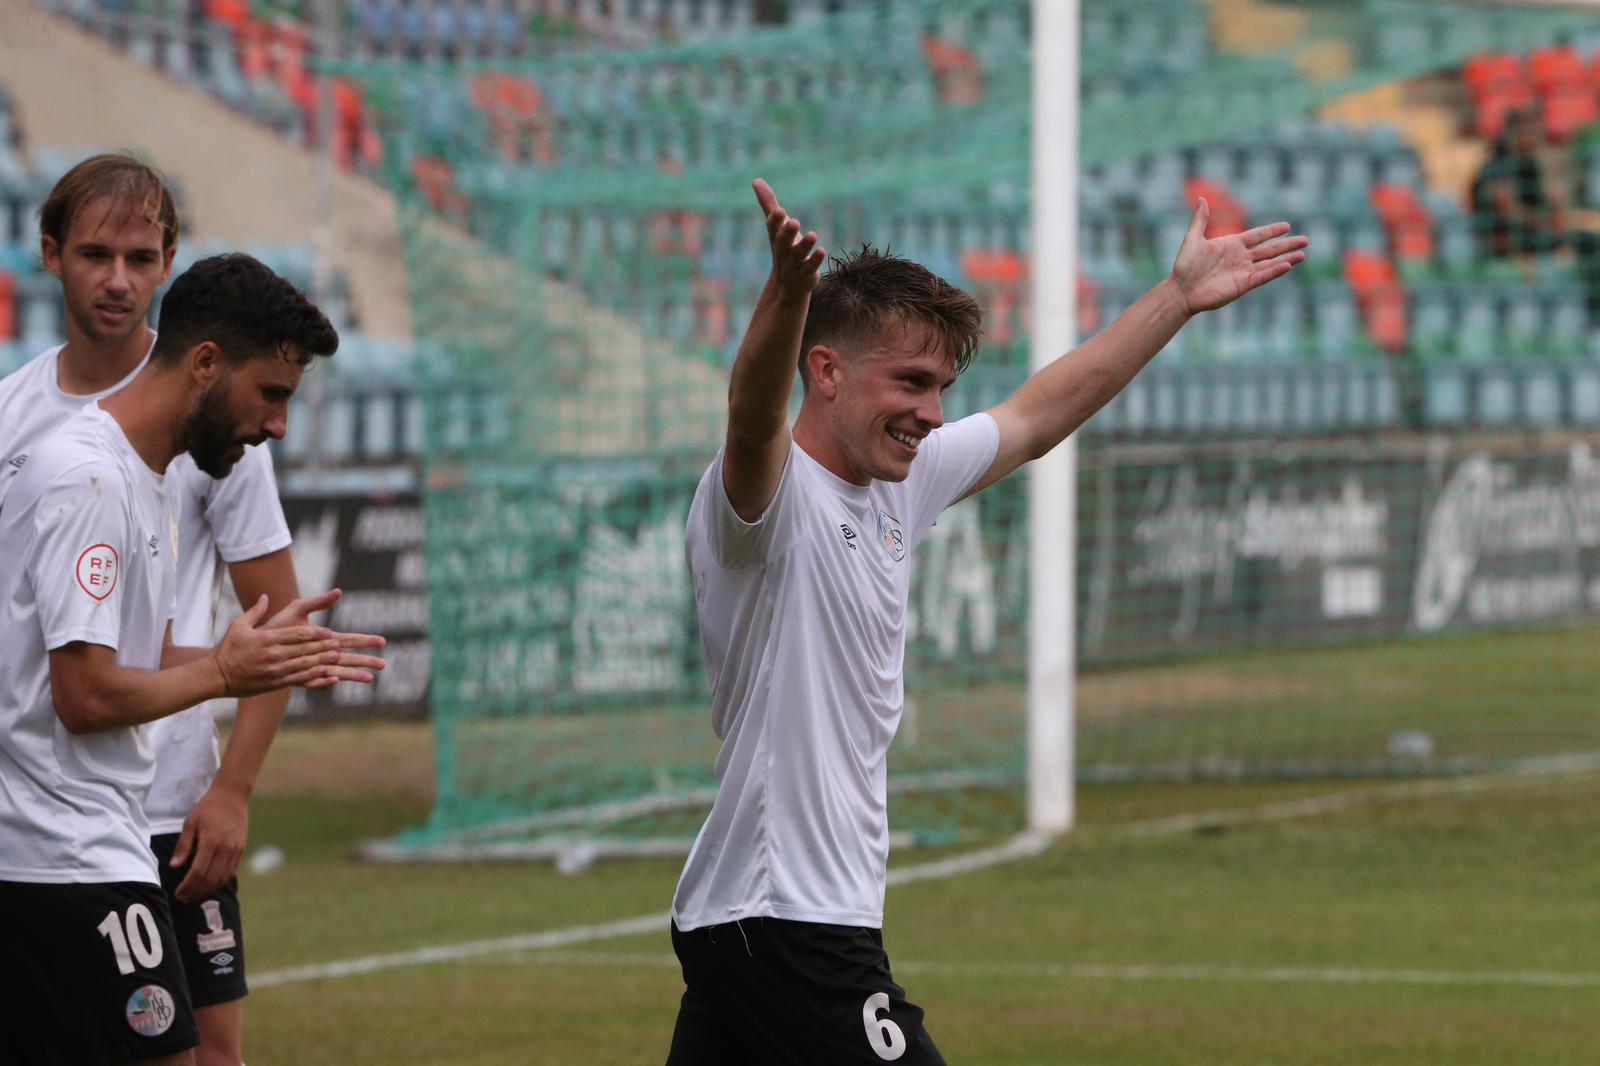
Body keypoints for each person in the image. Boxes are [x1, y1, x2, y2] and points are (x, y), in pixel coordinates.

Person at [666, 179, 1307, 1065]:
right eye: (912, 383)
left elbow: (1039, 413)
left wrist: (1178, 299)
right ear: (825, 371)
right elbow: (748, 416)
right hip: (789, 919)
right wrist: (785, 293)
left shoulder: (902, 482)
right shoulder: (767, 502)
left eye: (941, 390)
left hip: (761, 917)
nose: (931, 414)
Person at [0, 250, 387, 1066]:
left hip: (79, 846)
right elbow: (85, 697)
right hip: (65, 855)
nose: (277, 425)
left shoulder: (140, 476)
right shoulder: (91, 481)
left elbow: (108, 657)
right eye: (271, 394)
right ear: (206, 364)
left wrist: (263, 656)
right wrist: (223, 671)